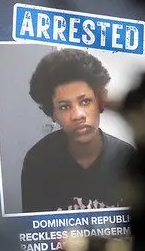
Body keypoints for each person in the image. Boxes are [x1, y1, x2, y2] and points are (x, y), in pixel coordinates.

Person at [20, 48, 136, 213]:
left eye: (85, 101)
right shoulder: (38, 160)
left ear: (101, 102)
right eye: (65, 106)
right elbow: (35, 232)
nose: (78, 115)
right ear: (52, 113)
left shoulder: (125, 157)